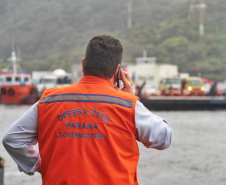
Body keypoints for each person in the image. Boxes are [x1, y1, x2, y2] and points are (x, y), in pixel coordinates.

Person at [3, 35, 173, 185]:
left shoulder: (48, 100)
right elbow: (164, 138)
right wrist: (132, 100)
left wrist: (40, 165)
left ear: (84, 64)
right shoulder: (127, 106)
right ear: (117, 71)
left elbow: (12, 139)